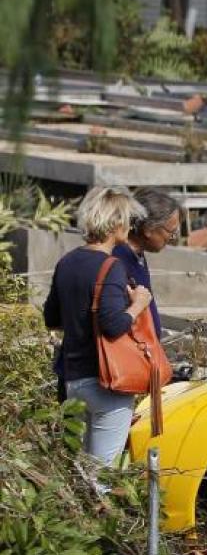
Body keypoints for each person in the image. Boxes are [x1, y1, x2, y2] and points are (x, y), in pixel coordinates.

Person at [43, 186, 154, 467]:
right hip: (106, 383)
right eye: (127, 219)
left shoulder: (66, 262)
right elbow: (113, 326)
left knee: (76, 470)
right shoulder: (111, 266)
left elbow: (51, 318)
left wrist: (80, 317)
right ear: (115, 223)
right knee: (101, 475)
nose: (130, 226)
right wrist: (139, 304)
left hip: (72, 382)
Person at [113, 188, 181, 337]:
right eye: (170, 232)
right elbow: (113, 321)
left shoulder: (138, 256)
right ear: (149, 229)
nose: (172, 238)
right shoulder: (118, 261)